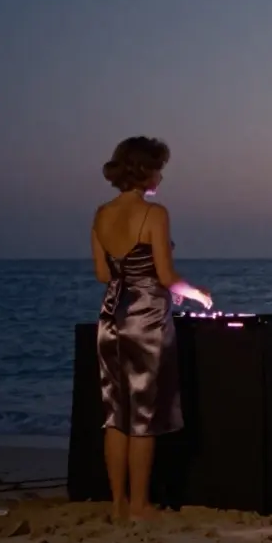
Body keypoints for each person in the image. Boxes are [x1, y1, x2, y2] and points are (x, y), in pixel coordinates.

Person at [91, 136, 213, 522]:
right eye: (159, 166)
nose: (162, 174)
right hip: (145, 320)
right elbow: (165, 274)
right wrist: (196, 293)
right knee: (143, 415)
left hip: (110, 317)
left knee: (116, 414)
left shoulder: (101, 214)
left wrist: (132, 279)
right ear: (145, 170)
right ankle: (141, 505)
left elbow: (101, 273)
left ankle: (118, 505)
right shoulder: (154, 214)